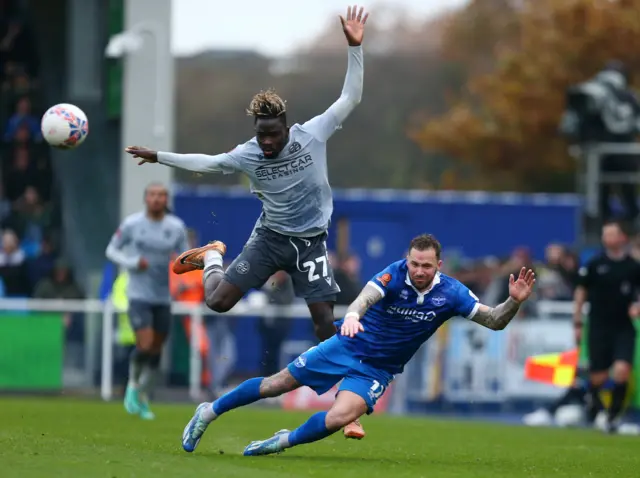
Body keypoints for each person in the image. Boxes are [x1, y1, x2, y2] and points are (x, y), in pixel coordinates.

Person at [126, 5, 368, 438]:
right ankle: (213, 256)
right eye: (262, 134)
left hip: (311, 243)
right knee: (216, 302)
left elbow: (350, 99)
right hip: (270, 238)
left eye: (273, 133)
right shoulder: (248, 153)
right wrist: (160, 156)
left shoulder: (313, 134)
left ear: (286, 126)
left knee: (323, 324)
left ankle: (342, 407)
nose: (268, 142)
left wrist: (355, 47)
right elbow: (208, 162)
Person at [180, 234, 536, 456]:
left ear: (438, 265)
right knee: (277, 384)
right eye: (414, 263)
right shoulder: (394, 273)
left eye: (426, 266)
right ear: (407, 259)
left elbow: (494, 321)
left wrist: (514, 302)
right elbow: (365, 298)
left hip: (378, 369)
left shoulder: (453, 293)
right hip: (348, 345)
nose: (419, 271)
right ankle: (208, 412)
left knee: (339, 418)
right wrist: (351, 315)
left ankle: (282, 441)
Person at [106, 183, 189, 420]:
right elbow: (111, 250)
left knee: (155, 349)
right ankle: (132, 387)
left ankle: (142, 395)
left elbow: (185, 257)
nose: (156, 199)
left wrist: (185, 267)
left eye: (161, 195)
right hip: (138, 295)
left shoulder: (176, 227)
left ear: (166, 200)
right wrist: (132, 263)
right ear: (146, 198)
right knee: (145, 343)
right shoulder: (132, 224)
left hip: (163, 296)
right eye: (152, 195)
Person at [574, 220, 640, 434]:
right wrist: (577, 320)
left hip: (623, 326)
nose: (607, 238)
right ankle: (593, 405)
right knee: (598, 377)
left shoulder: (633, 266)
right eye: (605, 234)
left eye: (612, 234)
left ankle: (612, 418)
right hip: (599, 326)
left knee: (622, 370)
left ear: (622, 237)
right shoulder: (594, 264)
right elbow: (581, 292)